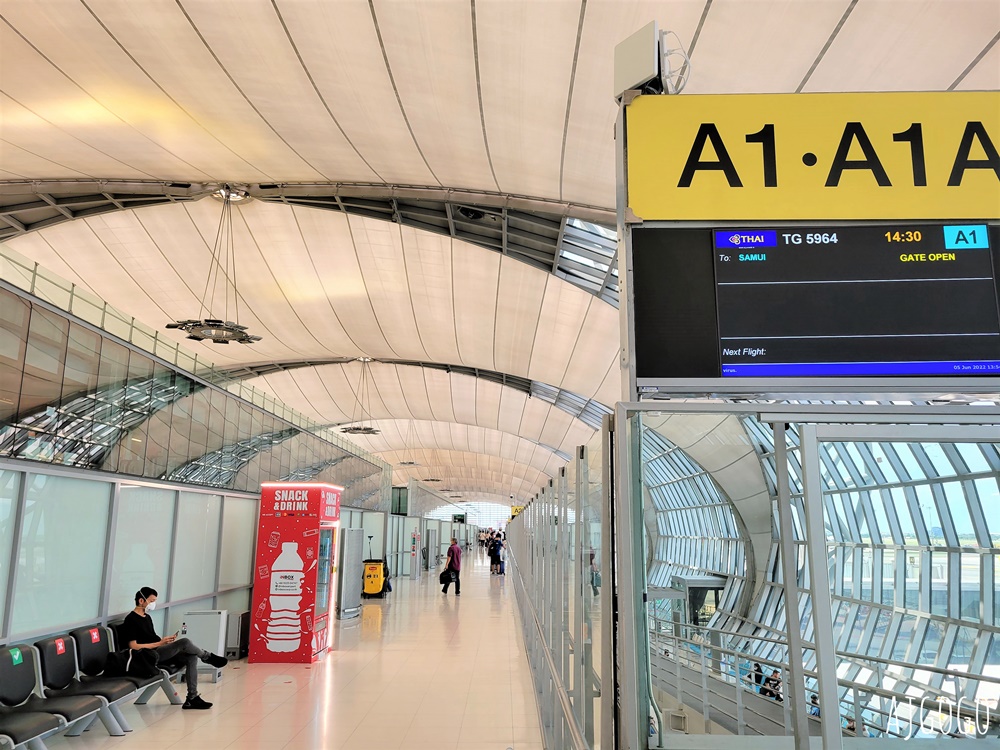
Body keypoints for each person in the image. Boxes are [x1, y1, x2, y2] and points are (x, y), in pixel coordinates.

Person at [119, 587, 229, 710]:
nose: (153, 604)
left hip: (156, 651)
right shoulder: (131, 619)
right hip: (147, 656)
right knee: (185, 642)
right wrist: (160, 643)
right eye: (151, 601)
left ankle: (192, 698)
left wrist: (165, 641)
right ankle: (207, 656)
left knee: (191, 656)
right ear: (141, 601)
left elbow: (152, 638)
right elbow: (133, 646)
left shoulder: (147, 617)